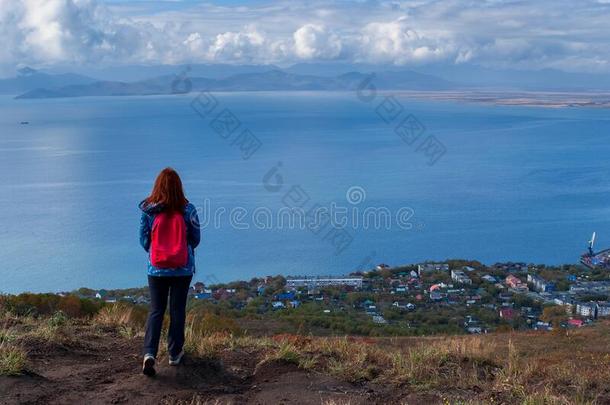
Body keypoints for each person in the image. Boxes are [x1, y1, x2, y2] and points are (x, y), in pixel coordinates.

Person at [138, 167, 200, 376]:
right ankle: (174, 354)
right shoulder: (188, 209)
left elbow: (144, 240)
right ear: (179, 187)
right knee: (177, 310)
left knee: (156, 310)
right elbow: (196, 239)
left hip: (156, 269)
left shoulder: (148, 210)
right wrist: (180, 249)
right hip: (182, 268)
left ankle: (149, 354)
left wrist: (157, 252)